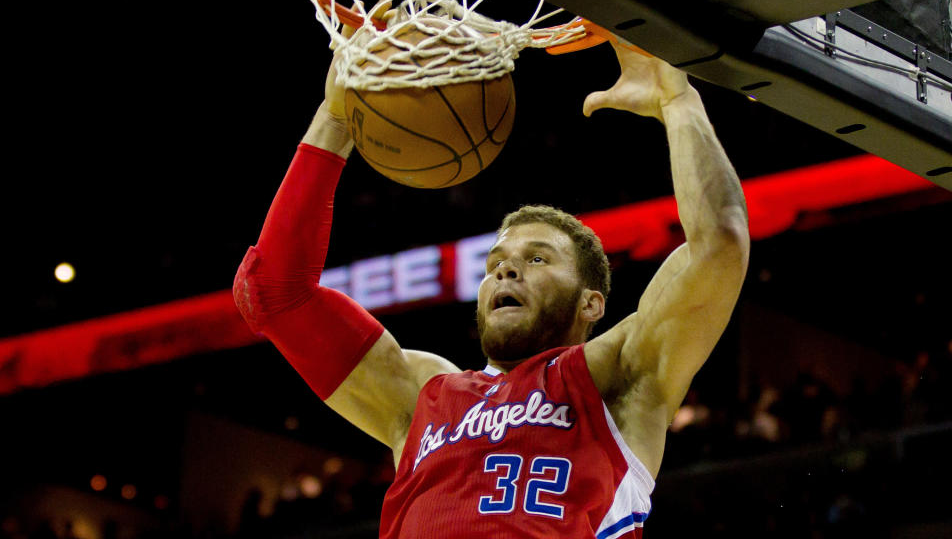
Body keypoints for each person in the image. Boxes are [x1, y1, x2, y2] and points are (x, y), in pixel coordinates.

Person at [234, 39, 750, 538]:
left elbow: (719, 246)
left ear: (592, 302)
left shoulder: (615, 379)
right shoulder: (423, 397)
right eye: (496, 263)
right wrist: (339, 114)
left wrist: (678, 103)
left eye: (537, 259)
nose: (506, 271)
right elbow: (276, 294)